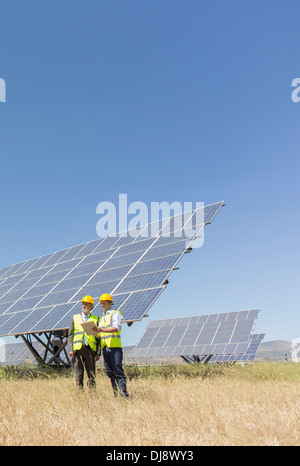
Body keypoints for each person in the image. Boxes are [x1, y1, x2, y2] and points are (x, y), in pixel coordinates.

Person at [93, 293, 129, 397]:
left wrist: (101, 329)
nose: (102, 305)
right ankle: (116, 394)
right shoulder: (102, 318)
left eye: (104, 303)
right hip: (105, 348)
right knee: (109, 372)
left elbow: (116, 328)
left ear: (110, 303)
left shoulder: (115, 313)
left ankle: (123, 394)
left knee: (117, 370)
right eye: (101, 303)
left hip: (114, 347)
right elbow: (101, 334)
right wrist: (95, 332)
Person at [68, 295, 100, 389]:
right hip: (78, 349)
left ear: (91, 306)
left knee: (91, 373)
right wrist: (70, 349)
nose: (84, 306)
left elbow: (98, 338)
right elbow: (70, 335)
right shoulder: (75, 318)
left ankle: (92, 394)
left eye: (86, 304)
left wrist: (98, 353)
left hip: (90, 350)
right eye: (83, 304)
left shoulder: (95, 319)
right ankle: (79, 394)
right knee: (78, 373)